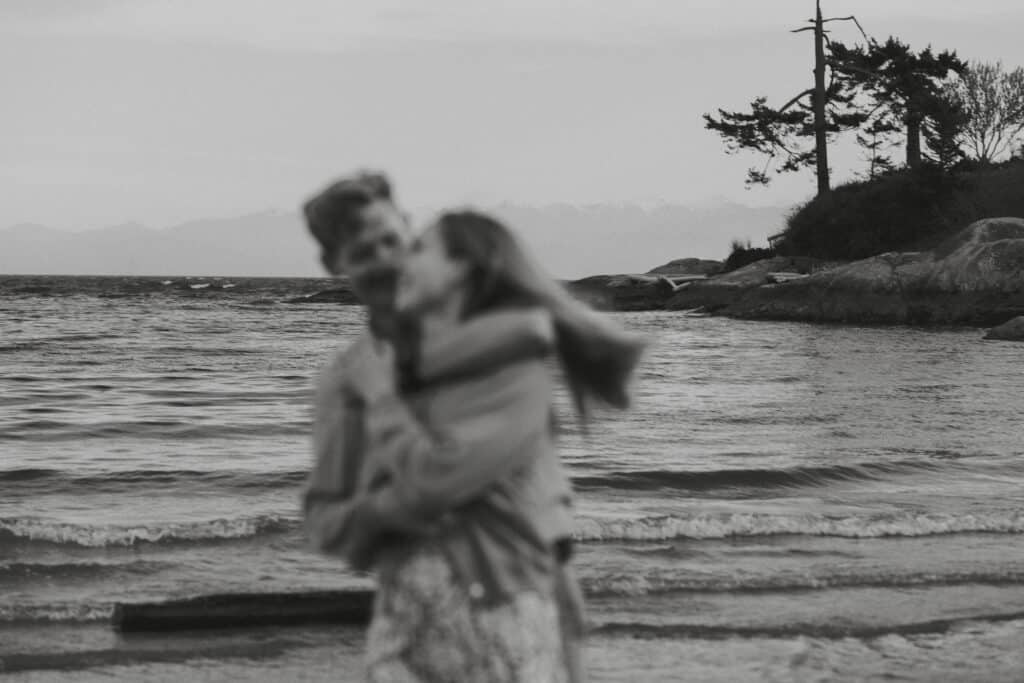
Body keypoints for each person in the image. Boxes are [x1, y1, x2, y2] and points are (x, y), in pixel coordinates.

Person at [302, 174, 645, 681]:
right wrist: (389, 513)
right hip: (403, 623)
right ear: (335, 264)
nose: (387, 262)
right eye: (362, 253)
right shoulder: (348, 378)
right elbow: (326, 521)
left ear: (409, 231)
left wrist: (566, 608)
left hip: (505, 604)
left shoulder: (507, 348)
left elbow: (532, 487)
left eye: (393, 241)